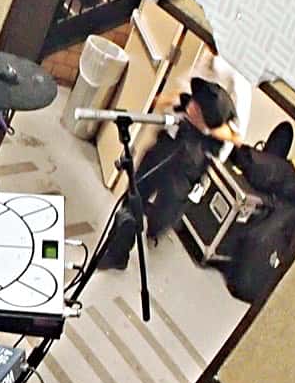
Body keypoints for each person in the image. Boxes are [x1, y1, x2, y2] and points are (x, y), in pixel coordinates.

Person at [100, 76, 236, 269]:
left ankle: (156, 228)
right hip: (161, 152)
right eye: (194, 103)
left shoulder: (213, 137)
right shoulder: (185, 103)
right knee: (133, 198)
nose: (193, 107)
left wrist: (206, 128)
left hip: (185, 171)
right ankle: (117, 254)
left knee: (163, 216)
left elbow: (234, 137)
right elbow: (162, 101)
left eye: (198, 108)